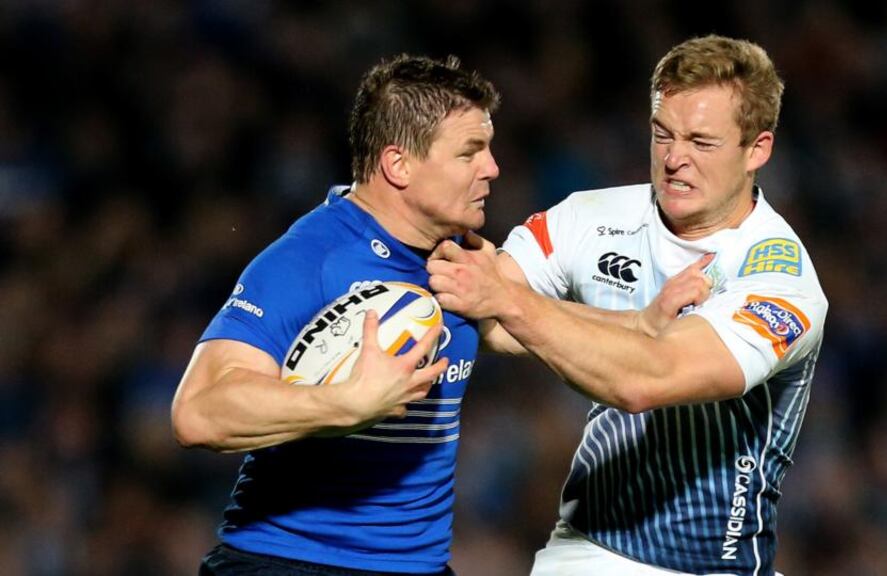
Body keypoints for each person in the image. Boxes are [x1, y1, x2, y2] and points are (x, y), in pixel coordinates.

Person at [427, 35, 828, 575]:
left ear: (757, 149)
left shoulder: (780, 277)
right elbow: (491, 319)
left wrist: (509, 300)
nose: (674, 158)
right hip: (585, 549)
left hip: (715, 564)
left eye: (702, 143)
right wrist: (635, 322)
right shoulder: (586, 218)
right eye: (663, 134)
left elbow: (649, 379)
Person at [171, 54, 500, 576]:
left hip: (420, 567)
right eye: (470, 152)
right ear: (399, 165)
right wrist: (342, 402)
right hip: (288, 562)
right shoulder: (310, 259)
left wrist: (653, 321)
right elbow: (197, 412)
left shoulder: (467, 261)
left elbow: (544, 338)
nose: (492, 168)